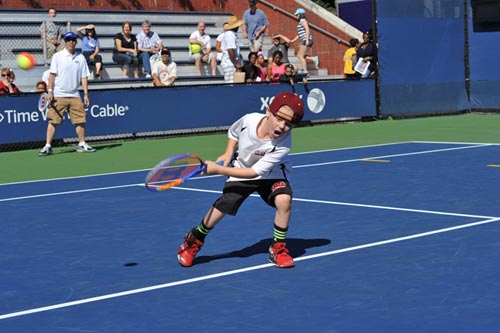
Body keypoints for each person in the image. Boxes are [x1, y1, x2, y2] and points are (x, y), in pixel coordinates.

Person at [177, 91, 305, 268]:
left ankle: (278, 248)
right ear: (268, 111)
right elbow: (233, 132)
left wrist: (217, 169)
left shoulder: (283, 144)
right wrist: (229, 152)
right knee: (225, 204)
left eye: (289, 124)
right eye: (279, 118)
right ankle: (195, 238)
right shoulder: (249, 120)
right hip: (241, 166)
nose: (282, 126)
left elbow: (254, 172)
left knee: (284, 200)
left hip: (271, 174)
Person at [38, 32, 95, 157]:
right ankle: (47, 146)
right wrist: (50, 91)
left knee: (80, 120)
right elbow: (52, 74)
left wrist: (86, 94)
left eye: (73, 40)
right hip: (58, 94)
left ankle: (82, 143)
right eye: (68, 40)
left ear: (76, 41)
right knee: (53, 121)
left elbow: (84, 77)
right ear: (65, 41)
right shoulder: (57, 56)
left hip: (75, 94)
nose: (71, 42)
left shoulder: (80, 58)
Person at [291, 8, 319, 75]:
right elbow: (299, 34)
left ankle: (306, 71)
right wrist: (293, 40)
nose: (296, 16)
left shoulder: (303, 21)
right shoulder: (301, 22)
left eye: (297, 15)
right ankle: (313, 58)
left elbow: (307, 29)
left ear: (300, 14)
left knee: (300, 56)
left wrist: (306, 40)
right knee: (299, 55)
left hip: (305, 40)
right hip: (303, 39)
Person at [221, 16, 244, 83]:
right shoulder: (230, 35)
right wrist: (237, 63)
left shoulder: (230, 34)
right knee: (231, 84)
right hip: (230, 64)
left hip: (231, 63)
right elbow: (230, 50)